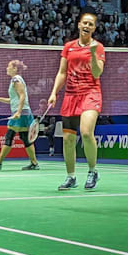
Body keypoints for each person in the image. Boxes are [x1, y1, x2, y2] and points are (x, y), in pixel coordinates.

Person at [48, 11, 105, 190]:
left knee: (86, 132)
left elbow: (97, 73)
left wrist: (94, 55)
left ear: (94, 28)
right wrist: (54, 92)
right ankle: (71, 176)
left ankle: (92, 171)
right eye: (84, 23)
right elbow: (62, 72)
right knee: (68, 139)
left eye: (90, 24)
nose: (87, 26)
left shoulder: (99, 47)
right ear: (79, 25)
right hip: (71, 95)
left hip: (90, 93)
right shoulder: (69, 47)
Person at [0, 60, 39, 171]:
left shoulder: (16, 80)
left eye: (8, 66)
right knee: (25, 138)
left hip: (21, 113)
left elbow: (22, 96)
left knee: (9, 135)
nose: (7, 68)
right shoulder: (15, 80)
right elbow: (14, 99)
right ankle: (34, 163)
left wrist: (18, 112)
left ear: (15, 68)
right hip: (23, 112)